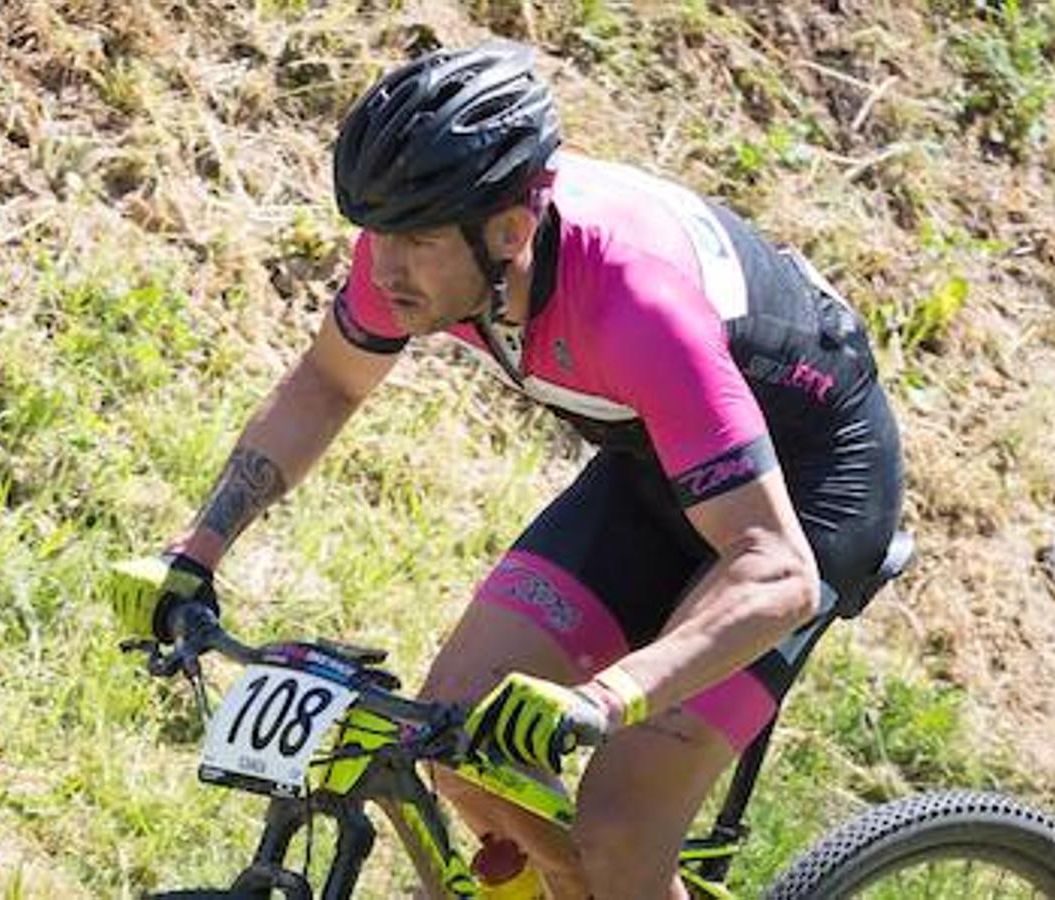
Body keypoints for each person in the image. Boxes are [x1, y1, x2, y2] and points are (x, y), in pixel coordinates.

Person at [119, 41, 904, 898]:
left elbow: (777, 573)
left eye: (414, 240)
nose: (384, 270)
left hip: (808, 491)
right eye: (374, 234)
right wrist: (195, 551)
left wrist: (607, 698)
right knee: (463, 746)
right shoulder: (429, 252)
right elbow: (330, 382)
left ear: (511, 232)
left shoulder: (636, 306)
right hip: (658, 463)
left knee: (619, 831)